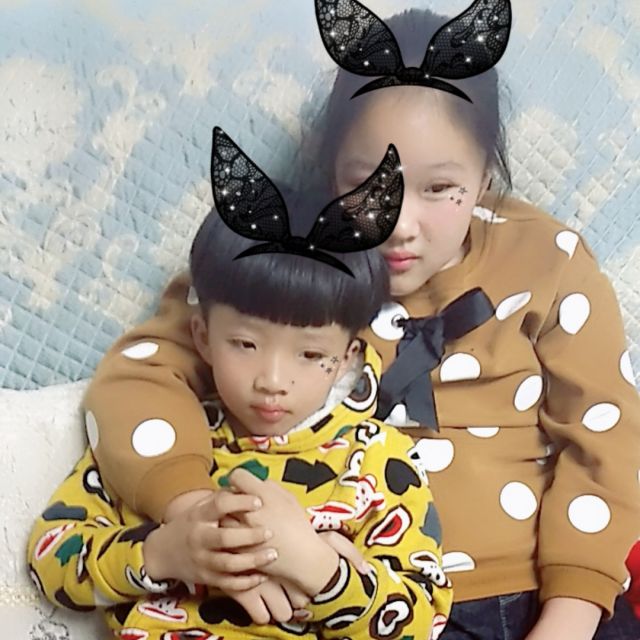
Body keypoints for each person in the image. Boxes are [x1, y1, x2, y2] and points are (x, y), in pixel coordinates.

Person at [77, 3, 640, 639]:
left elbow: (605, 440)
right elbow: (135, 381)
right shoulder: (284, 258)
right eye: (369, 184)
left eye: (439, 189)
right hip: (366, 601)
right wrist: (194, 514)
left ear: (484, 176)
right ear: (330, 172)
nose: (399, 224)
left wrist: (570, 615)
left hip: (549, 594)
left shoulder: (547, 258)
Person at [27, 133, 453, 639]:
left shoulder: (377, 460)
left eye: (310, 355)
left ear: (346, 358)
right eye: (245, 344)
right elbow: (50, 558)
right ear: (202, 337)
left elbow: (423, 620)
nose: (272, 381)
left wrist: (324, 573)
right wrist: (161, 554)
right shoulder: (166, 440)